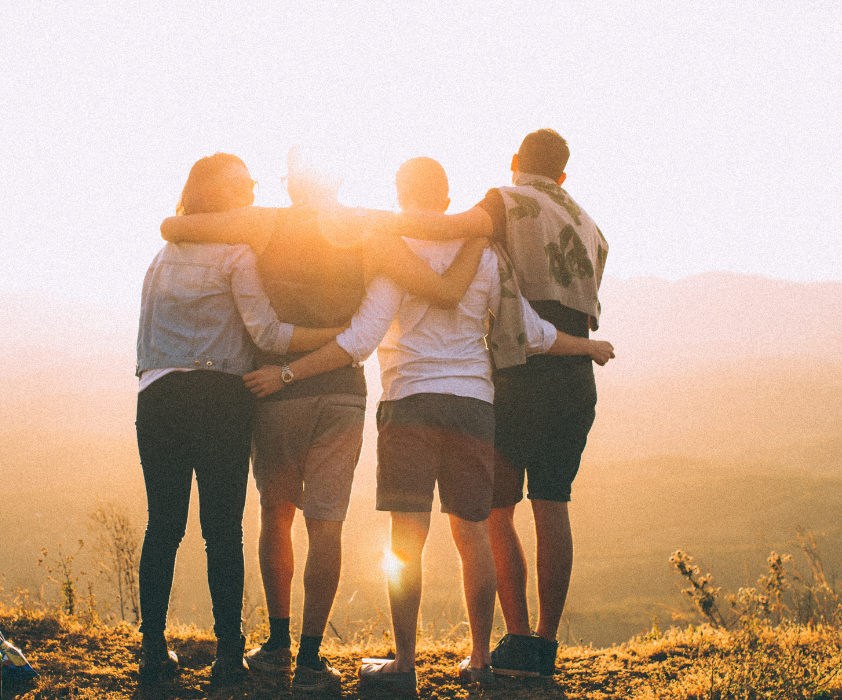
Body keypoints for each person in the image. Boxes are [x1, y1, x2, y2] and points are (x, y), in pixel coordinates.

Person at [243, 157, 613, 693]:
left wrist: (288, 372)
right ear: (446, 200)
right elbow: (532, 332)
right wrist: (589, 347)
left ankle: (405, 662)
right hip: (473, 407)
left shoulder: (393, 253)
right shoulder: (485, 255)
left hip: (408, 404)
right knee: (473, 537)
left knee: (406, 542)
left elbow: (361, 340)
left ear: (400, 194)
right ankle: (481, 660)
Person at [159, 146, 487, 693]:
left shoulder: (263, 224)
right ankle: (312, 656)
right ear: (338, 180)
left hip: (276, 389)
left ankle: (278, 642)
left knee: (276, 513)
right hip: (341, 394)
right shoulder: (367, 232)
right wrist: (478, 234)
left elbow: (175, 228)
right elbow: (441, 290)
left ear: (291, 185)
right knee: (326, 523)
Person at [375, 131, 610, 678]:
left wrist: (368, 222)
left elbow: (449, 229)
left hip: (519, 369)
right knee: (553, 505)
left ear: (514, 162)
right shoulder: (592, 226)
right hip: (573, 373)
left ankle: (515, 638)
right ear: (564, 175)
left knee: (494, 513)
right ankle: (543, 648)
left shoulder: (505, 201)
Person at [134, 153, 345, 688]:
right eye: (243, 184)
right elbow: (269, 336)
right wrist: (334, 337)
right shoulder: (236, 254)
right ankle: (228, 654)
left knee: (163, 525)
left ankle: (153, 650)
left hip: (157, 396)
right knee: (221, 530)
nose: (252, 191)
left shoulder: (162, 256)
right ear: (218, 195)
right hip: (220, 399)